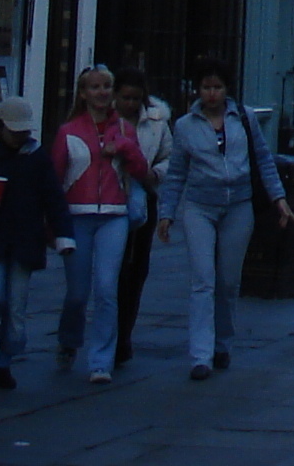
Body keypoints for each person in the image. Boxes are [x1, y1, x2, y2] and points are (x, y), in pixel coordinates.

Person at [156, 56, 292, 381]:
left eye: (217, 87)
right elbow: (176, 174)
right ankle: (200, 354)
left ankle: (223, 343)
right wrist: (166, 214)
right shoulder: (186, 126)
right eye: (206, 87)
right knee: (203, 280)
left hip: (239, 205)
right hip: (199, 207)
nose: (212, 93)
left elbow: (263, 159)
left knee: (228, 282)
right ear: (197, 89)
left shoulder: (243, 118)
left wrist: (279, 199)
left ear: (227, 89)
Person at [53, 65, 151, 383]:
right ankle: (69, 340)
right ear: (83, 93)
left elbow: (140, 168)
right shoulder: (68, 132)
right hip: (77, 214)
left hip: (114, 214)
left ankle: (100, 360)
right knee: (78, 293)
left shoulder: (123, 129)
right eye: (94, 87)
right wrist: (51, 223)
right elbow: (54, 178)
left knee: (107, 288)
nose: (101, 93)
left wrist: (124, 146)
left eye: (106, 86)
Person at [0, 95, 69, 389]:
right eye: (15, 130)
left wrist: (62, 232)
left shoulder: (37, 160)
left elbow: (53, 199)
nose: (20, 136)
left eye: (23, 131)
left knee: (17, 307)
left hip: (23, 242)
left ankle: (4, 361)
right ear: (0, 127)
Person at [111, 69, 171, 366]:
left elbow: (169, 157)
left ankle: (124, 334)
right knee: (115, 269)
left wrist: (154, 174)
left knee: (137, 269)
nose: (131, 104)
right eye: (125, 98)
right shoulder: (104, 118)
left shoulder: (157, 120)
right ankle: (111, 335)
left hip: (143, 195)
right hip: (109, 196)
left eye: (136, 98)